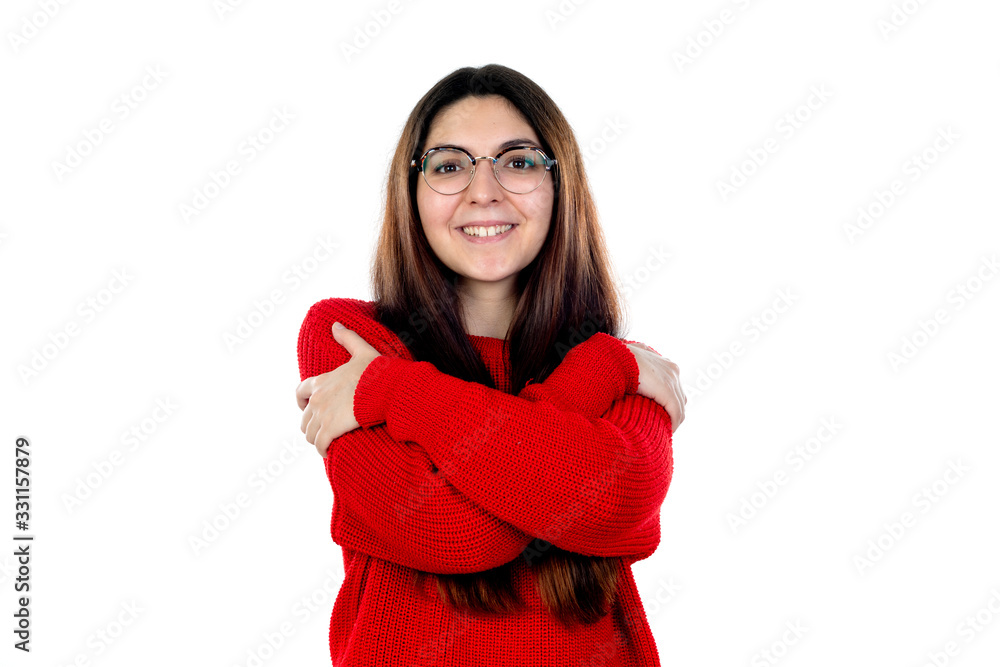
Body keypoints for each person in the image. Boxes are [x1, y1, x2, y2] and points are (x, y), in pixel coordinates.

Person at [295, 63, 686, 666]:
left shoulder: (627, 367)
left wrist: (391, 391)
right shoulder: (349, 340)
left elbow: (623, 502)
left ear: (560, 187)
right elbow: (448, 532)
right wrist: (592, 388)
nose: (484, 191)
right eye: (450, 166)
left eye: (519, 162)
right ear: (411, 191)